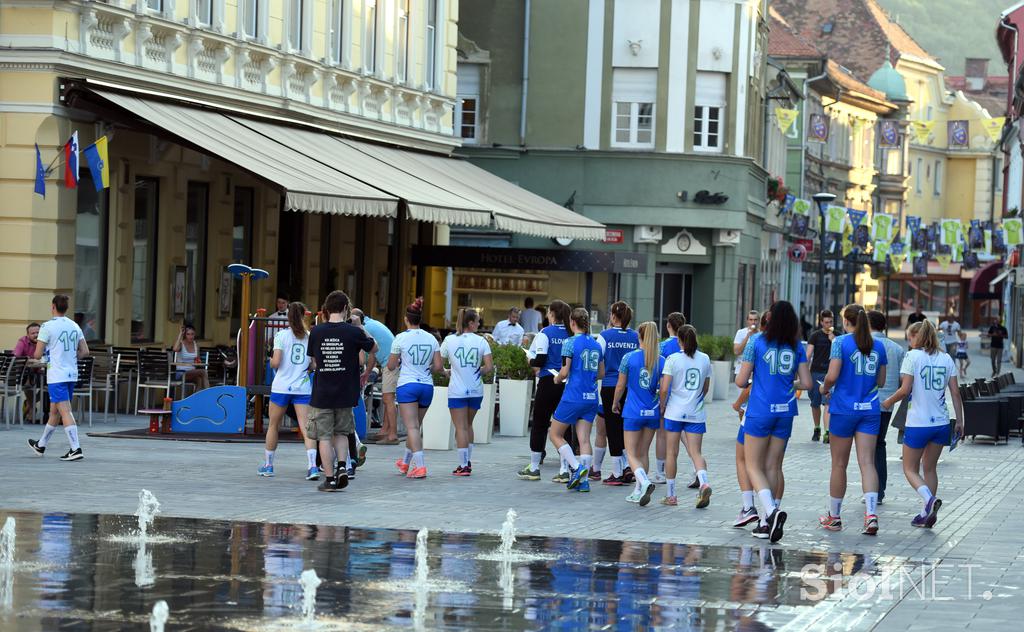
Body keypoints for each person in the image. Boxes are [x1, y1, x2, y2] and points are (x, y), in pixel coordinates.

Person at [735, 300, 811, 543]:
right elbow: (807, 384)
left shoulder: (757, 342)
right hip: (785, 411)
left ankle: (770, 513)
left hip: (760, 410)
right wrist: (789, 383)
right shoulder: (796, 346)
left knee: (753, 464)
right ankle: (770, 518)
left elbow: (740, 381)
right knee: (774, 465)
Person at [882, 320, 964, 529]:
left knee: (909, 468)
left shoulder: (913, 356)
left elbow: (905, 390)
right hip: (941, 423)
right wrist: (960, 420)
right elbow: (955, 392)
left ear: (917, 337)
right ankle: (926, 513)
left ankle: (929, 500)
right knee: (930, 468)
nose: (909, 341)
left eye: (911, 337)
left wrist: (887, 402)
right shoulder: (946, 358)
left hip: (918, 422)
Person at [817, 305, 886, 536]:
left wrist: (824, 388)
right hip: (869, 409)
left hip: (844, 409)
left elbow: (833, 375)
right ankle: (871, 516)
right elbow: (882, 381)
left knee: (839, 464)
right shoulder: (879, 345)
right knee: (867, 463)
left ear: (847, 321)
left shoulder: (840, 343)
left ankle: (834, 517)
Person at [306, 290, 377, 492]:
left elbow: (314, 361)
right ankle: (343, 468)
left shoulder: (317, 331)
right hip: (346, 392)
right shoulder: (353, 332)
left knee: (324, 437)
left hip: (322, 393)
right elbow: (375, 348)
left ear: (326, 310)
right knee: (342, 433)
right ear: (346, 309)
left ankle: (329, 479)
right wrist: (361, 327)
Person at [259, 301, 320, 480]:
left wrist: (270, 361)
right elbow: (314, 363)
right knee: (306, 427)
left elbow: (276, 362)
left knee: (273, 425)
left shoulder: (281, 336)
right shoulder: (310, 336)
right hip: (302, 387)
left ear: (288, 316)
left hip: (281, 386)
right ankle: (312, 466)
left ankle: (269, 465)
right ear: (304, 316)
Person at [28, 295, 89, 461]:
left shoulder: (47, 327)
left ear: (53, 306)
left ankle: (76, 448)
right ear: (66, 308)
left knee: (65, 411)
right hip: (71, 373)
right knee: (54, 411)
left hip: (56, 375)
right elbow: (85, 352)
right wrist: (70, 356)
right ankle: (41, 445)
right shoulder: (74, 325)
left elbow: (37, 354)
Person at [549, 307, 604, 493]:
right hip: (591, 397)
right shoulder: (596, 345)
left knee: (555, 434)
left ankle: (576, 467)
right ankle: (584, 481)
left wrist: (556, 379)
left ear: (572, 323)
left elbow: (564, 372)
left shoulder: (569, 342)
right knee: (584, 439)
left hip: (573, 396)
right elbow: (601, 373)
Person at [517, 300, 572, 482]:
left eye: (548, 312)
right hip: (568, 383)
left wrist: (529, 361)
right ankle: (565, 469)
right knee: (564, 426)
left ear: (553, 314)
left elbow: (539, 359)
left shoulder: (545, 333)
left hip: (549, 381)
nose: (547, 315)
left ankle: (534, 467)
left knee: (540, 422)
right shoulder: (572, 334)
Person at [659, 324, 712, 508]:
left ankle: (671, 496)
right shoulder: (705, 359)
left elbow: (664, 388)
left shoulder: (673, 359)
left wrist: (663, 405)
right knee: (695, 452)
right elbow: (705, 388)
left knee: (671, 453)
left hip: (674, 411)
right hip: (696, 412)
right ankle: (704, 482)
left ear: (680, 340)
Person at [612, 321, 664, 506]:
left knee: (631, 454)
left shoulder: (629, 358)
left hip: (633, 411)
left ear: (639, 336)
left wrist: (615, 402)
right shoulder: (661, 360)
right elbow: (664, 389)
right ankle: (639, 490)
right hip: (652, 411)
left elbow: (620, 385)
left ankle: (644, 482)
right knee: (643, 452)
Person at [390, 298, 442, 479]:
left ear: (406, 319)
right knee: (416, 427)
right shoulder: (432, 338)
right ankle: (405, 462)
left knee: (411, 427)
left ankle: (420, 466)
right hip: (427, 385)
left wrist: (398, 362)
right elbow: (438, 366)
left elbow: (390, 365)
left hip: (407, 385)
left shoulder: (400, 338)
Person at [440, 308, 493, 476]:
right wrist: (479, 372)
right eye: (478, 321)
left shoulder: (449, 340)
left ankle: (463, 465)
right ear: (470, 323)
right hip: (476, 389)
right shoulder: (481, 341)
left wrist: (447, 372)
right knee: (469, 425)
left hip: (457, 390)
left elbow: (439, 364)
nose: (479, 324)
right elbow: (489, 367)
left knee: (460, 428)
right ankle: (467, 461)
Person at [594, 301, 639, 485]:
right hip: (630, 386)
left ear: (613, 316)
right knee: (625, 427)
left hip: (610, 385)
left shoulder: (604, 335)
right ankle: (628, 466)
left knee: (611, 428)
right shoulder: (635, 336)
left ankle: (616, 472)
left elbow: (597, 358)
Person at [869, 310, 905, 505]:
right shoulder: (898, 349)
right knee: (879, 444)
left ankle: (872, 489)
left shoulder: (866, 344)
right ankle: (879, 490)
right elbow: (902, 379)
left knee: (868, 449)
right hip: (887, 403)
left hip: (867, 402)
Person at [352, 308, 399, 445]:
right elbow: (373, 353)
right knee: (388, 398)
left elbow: (365, 357)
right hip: (392, 362)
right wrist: (367, 373)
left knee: (388, 399)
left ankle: (392, 435)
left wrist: (366, 371)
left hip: (391, 364)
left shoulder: (365, 328)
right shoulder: (372, 324)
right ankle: (385, 430)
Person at [806, 310, 836, 443]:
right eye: (826, 322)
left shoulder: (838, 336)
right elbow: (808, 354)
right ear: (821, 322)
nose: (828, 325)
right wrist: (804, 371)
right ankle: (817, 428)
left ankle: (827, 432)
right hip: (816, 372)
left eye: (830, 322)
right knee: (815, 403)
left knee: (828, 402)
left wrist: (833, 340)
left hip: (830, 373)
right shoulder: (815, 336)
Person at [173, 324, 210, 392]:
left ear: (194, 334)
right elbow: (175, 349)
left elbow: (197, 359)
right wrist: (180, 334)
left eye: (192, 334)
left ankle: (196, 400)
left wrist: (198, 361)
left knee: (199, 379)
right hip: (181, 372)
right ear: (185, 335)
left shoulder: (196, 345)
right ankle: (209, 394)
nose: (190, 336)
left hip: (193, 372)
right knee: (203, 372)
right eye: (188, 334)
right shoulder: (181, 344)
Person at [733, 311, 760, 376]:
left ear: (759, 321)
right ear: (747, 321)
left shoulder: (761, 334)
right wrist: (747, 336)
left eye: (755, 320)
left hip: (756, 370)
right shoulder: (741, 332)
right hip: (741, 369)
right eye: (751, 320)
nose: (753, 322)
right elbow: (736, 351)